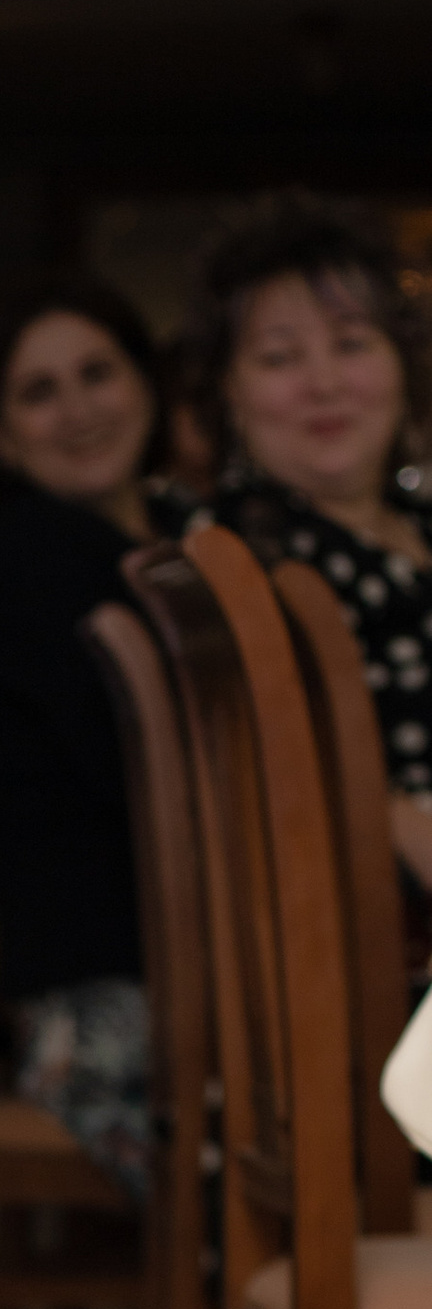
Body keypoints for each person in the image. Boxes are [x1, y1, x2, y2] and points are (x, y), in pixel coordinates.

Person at [0, 273, 176, 1195]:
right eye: (39, 392)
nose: (78, 408)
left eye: (97, 372)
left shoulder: (155, 545)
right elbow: (154, 791)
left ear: (145, 386)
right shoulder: (37, 563)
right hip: (124, 1023)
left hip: (136, 982)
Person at [186, 193, 432, 893]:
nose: (325, 384)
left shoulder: (419, 523)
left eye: (352, 344)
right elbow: (291, 775)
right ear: (228, 390)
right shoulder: (240, 557)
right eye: (279, 357)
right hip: (375, 947)